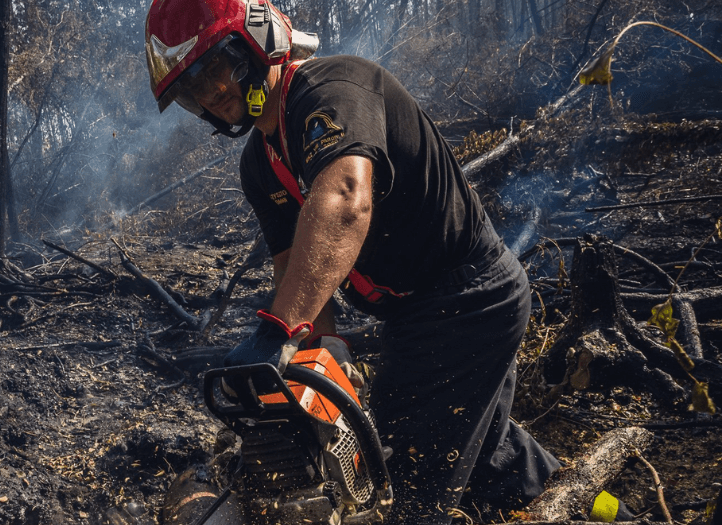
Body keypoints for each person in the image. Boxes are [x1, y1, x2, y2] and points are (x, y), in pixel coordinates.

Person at [144, 0, 562, 523]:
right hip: (415, 316)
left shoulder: (332, 90)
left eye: (214, 70)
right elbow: (292, 260)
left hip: (468, 297)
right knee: (486, 455)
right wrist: (317, 353)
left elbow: (345, 197)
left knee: (399, 481)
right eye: (194, 88)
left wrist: (277, 331)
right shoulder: (259, 163)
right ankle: (591, 504)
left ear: (254, 40)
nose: (212, 93)